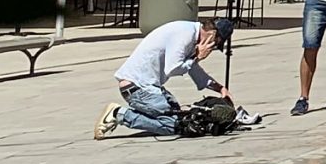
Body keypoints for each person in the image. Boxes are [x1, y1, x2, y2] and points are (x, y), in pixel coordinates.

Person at [97, 18, 234, 138]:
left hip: (150, 87)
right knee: (175, 126)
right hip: (137, 88)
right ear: (212, 35)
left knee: (181, 116)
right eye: (215, 44)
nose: (213, 48)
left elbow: (192, 69)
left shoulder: (191, 34)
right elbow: (173, 69)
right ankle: (119, 114)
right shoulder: (184, 34)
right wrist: (197, 57)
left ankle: (143, 114)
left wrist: (219, 88)